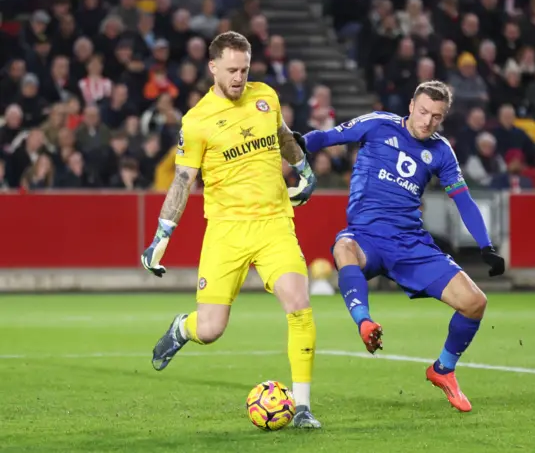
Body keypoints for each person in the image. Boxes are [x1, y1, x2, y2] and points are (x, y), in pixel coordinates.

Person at [140, 32, 320, 428]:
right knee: (211, 329)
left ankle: (303, 408)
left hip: (275, 223)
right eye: (232, 70)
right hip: (226, 230)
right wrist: (161, 236)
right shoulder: (197, 120)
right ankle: (181, 328)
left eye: (245, 69)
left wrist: (304, 170)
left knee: (299, 304)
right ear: (213, 68)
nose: (239, 77)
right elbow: (183, 180)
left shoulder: (265, 97)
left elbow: (283, 137)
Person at [300, 81, 505, 413]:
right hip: (366, 237)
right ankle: (365, 322)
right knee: (343, 249)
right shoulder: (378, 124)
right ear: (411, 105)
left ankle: (443, 370)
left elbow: (464, 201)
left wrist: (486, 246)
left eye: (436, 117)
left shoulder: (440, 151)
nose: (426, 122)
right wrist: (300, 143)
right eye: (423, 112)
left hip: (410, 244)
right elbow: (328, 137)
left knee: (475, 303)